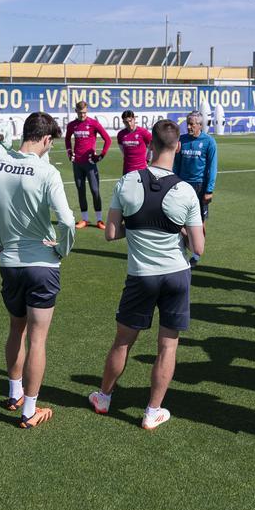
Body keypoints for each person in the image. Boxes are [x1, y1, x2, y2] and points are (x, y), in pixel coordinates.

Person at [87, 119, 205, 430]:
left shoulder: (127, 182)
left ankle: (104, 397)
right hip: (176, 275)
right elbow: (199, 246)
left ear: (149, 146)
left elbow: (111, 233)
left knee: (123, 342)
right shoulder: (186, 190)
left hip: (141, 276)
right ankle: (152, 411)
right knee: (167, 346)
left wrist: (138, 226)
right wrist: (178, 230)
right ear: (177, 147)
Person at [0, 112, 75, 429]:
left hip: (9, 262)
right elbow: (66, 220)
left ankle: (14, 394)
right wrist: (62, 249)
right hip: (42, 265)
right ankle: (29, 410)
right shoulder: (47, 171)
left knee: (16, 329)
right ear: (47, 140)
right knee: (37, 340)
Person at [173, 110, 218, 266]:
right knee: (181, 221)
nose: (189, 127)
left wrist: (209, 190)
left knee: (200, 223)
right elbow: (176, 164)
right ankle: (184, 250)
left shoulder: (209, 142)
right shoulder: (182, 140)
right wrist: (174, 182)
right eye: (188, 124)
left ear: (200, 125)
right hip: (183, 185)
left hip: (199, 187)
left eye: (192, 124)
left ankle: (197, 254)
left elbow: (212, 168)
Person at [65, 101, 112, 229]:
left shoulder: (93, 123)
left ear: (87, 111)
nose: (82, 115)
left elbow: (108, 139)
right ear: (76, 111)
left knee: (95, 191)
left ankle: (99, 220)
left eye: (85, 113)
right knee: (81, 191)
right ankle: (85, 219)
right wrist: (69, 152)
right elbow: (67, 139)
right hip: (77, 164)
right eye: (80, 113)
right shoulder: (72, 125)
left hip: (90, 164)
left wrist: (101, 156)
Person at [116, 110, 151, 175]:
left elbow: (152, 146)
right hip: (127, 169)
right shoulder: (121, 134)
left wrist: (148, 159)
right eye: (126, 122)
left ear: (134, 119)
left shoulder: (144, 132)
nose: (129, 124)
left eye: (130, 121)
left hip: (142, 169)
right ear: (123, 122)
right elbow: (123, 151)